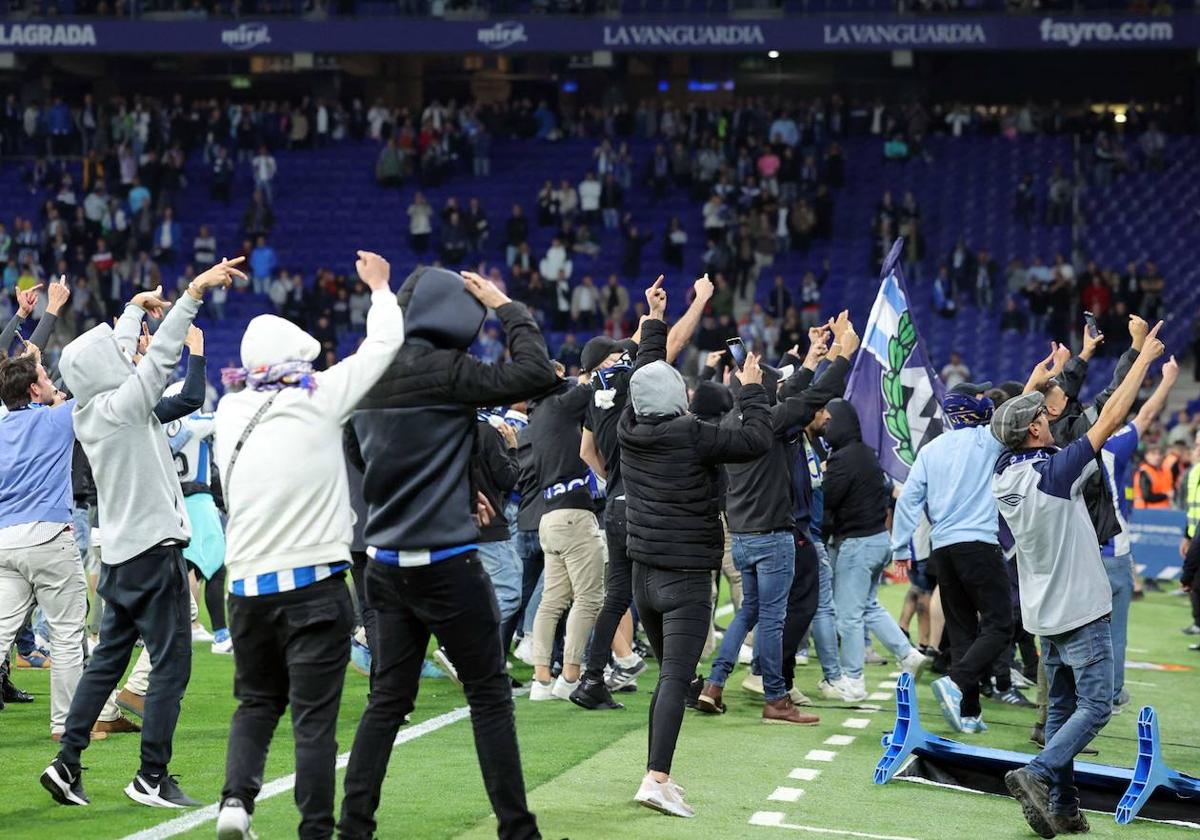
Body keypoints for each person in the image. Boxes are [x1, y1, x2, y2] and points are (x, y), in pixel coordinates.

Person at [339, 268, 554, 840]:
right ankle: (517, 832)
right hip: (448, 563)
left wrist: (449, 489)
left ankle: (353, 828)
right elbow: (536, 372)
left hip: (384, 565)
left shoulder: (367, 372)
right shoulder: (449, 369)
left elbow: (358, 452)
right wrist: (506, 305)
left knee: (387, 702)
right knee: (488, 699)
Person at [41, 258, 245, 809]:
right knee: (172, 666)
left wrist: (132, 309)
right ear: (110, 370)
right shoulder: (126, 406)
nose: (127, 352)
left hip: (120, 556)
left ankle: (67, 763)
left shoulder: (90, 408)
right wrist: (193, 292)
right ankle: (151, 775)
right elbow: (157, 358)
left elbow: (120, 358)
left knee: (108, 659)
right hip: (154, 551)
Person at [212, 251, 402, 840]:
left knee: (255, 704)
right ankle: (315, 830)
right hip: (314, 584)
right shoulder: (319, 395)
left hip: (244, 587)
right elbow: (382, 346)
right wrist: (379, 288)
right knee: (314, 722)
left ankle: (234, 805)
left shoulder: (226, 410)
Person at [993, 321, 1164, 838]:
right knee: (1095, 706)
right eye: (1044, 416)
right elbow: (1111, 416)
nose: (1051, 416)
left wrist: (1047, 375)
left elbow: (1010, 420)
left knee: (1064, 710)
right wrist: (1143, 361)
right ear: (1037, 431)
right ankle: (1038, 773)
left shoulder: (1005, 470)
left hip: (1044, 613)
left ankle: (1064, 807)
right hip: (1081, 608)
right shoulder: (1054, 473)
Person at [618, 276, 773, 817]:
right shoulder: (693, 434)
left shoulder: (628, 428)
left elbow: (643, 375)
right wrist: (750, 388)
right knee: (674, 680)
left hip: (644, 576)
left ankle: (660, 773)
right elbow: (755, 441)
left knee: (670, 680)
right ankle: (656, 777)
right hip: (685, 581)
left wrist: (655, 319)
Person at [570, 274, 714, 711]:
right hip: (642, 503)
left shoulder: (595, 388)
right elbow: (668, 342)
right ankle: (682, 679)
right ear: (613, 357)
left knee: (618, 595)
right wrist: (698, 301)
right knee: (665, 591)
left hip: (614, 501)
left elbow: (585, 451)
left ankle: (592, 678)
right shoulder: (637, 379)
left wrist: (615, 474)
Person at [891, 380, 1016, 733]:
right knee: (999, 626)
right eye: (979, 396)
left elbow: (909, 499)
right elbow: (1014, 411)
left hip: (942, 550)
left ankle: (969, 712)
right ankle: (956, 682)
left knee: (962, 631)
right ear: (968, 406)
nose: (986, 400)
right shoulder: (989, 439)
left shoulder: (931, 449)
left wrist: (901, 548)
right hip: (978, 544)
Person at [0, 284, 87, 742]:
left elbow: (17, 364)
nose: (52, 379)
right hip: (49, 537)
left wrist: (40, 316)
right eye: (45, 377)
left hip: (3, 543)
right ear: (35, 389)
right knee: (69, 634)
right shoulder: (57, 418)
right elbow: (99, 386)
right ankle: (65, 725)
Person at [822, 398, 928, 700]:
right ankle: (907, 654)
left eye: (830, 421)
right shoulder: (867, 454)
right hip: (880, 539)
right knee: (868, 605)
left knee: (849, 615)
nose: (826, 426)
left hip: (857, 544)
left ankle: (854, 682)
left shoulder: (842, 460)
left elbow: (829, 500)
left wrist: (822, 474)